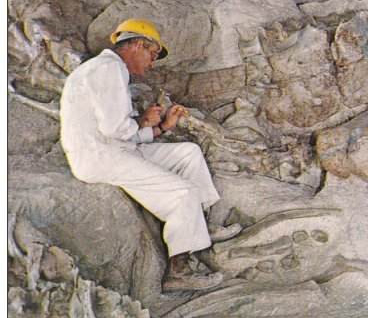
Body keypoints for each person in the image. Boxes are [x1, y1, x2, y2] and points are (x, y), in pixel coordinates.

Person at [60, 18, 241, 293]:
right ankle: (178, 271)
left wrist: (160, 129)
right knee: (183, 193)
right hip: (100, 157)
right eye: (152, 54)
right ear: (136, 45)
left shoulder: (107, 69)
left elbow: (116, 131)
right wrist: (144, 120)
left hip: (112, 149)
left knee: (189, 153)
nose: (152, 63)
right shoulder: (108, 69)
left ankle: (199, 225)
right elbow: (116, 128)